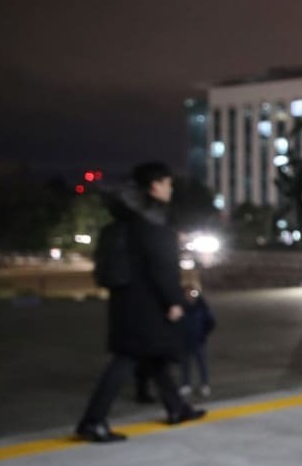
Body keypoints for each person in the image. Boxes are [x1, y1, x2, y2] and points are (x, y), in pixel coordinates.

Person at [76, 162, 206, 443]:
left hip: (130, 300)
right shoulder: (152, 219)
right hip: (147, 304)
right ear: (155, 185)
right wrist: (174, 301)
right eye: (168, 183)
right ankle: (92, 421)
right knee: (127, 359)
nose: (170, 189)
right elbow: (162, 266)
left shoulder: (131, 217)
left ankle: (177, 408)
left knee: (154, 356)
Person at [178, 282, 216, 399]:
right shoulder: (180, 307)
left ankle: (204, 385)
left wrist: (203, 334)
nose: (189, 295)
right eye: (186, 293)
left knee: (202, 364)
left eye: (192, 293)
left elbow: (210, 321)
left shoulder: (201, 306)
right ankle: (185, 384)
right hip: (184, 341)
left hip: (199, 341)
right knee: (185, 364)